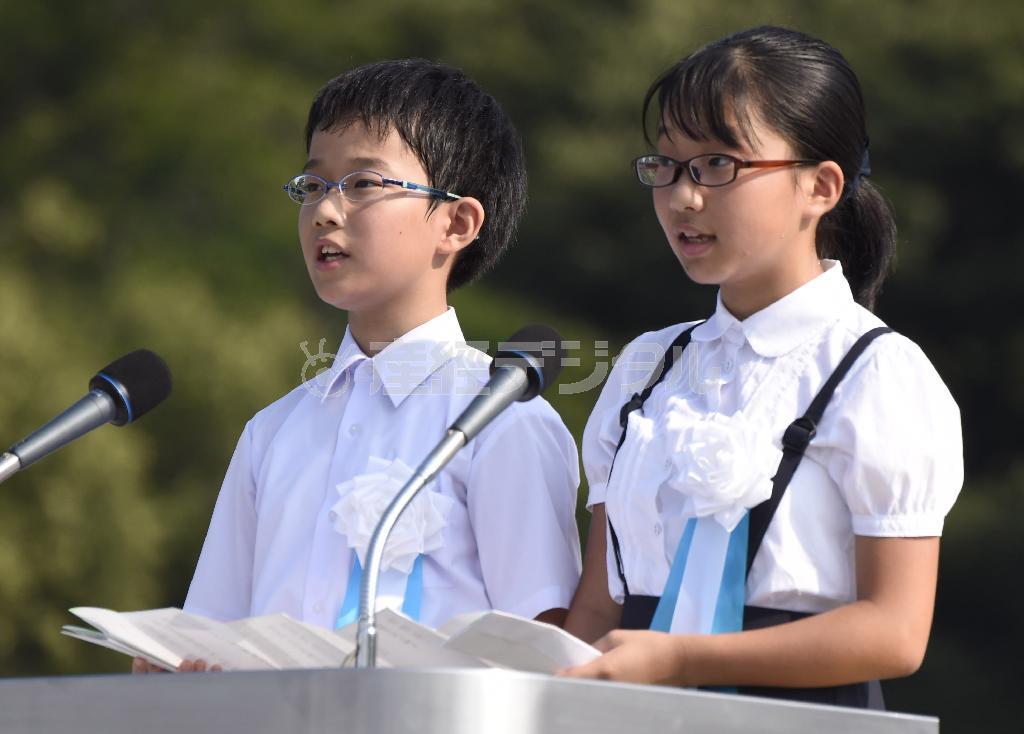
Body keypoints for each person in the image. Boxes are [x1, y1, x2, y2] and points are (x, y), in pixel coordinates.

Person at [560, 26, 963, 709]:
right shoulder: (647, 366)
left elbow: (895, 633)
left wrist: (681, 657)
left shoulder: (876, 372)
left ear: (820, 185)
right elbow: (600, 609)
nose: (683, 197)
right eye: (666, 165)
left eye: (717, 164)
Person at [134, 59, 581, 672]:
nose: (325, 210)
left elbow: (542, 649)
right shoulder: (273, 431)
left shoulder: (502, 420)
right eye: (313, 184)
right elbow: (212, 629)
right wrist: (176, 668)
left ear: (456, 223)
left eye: (363, 184)